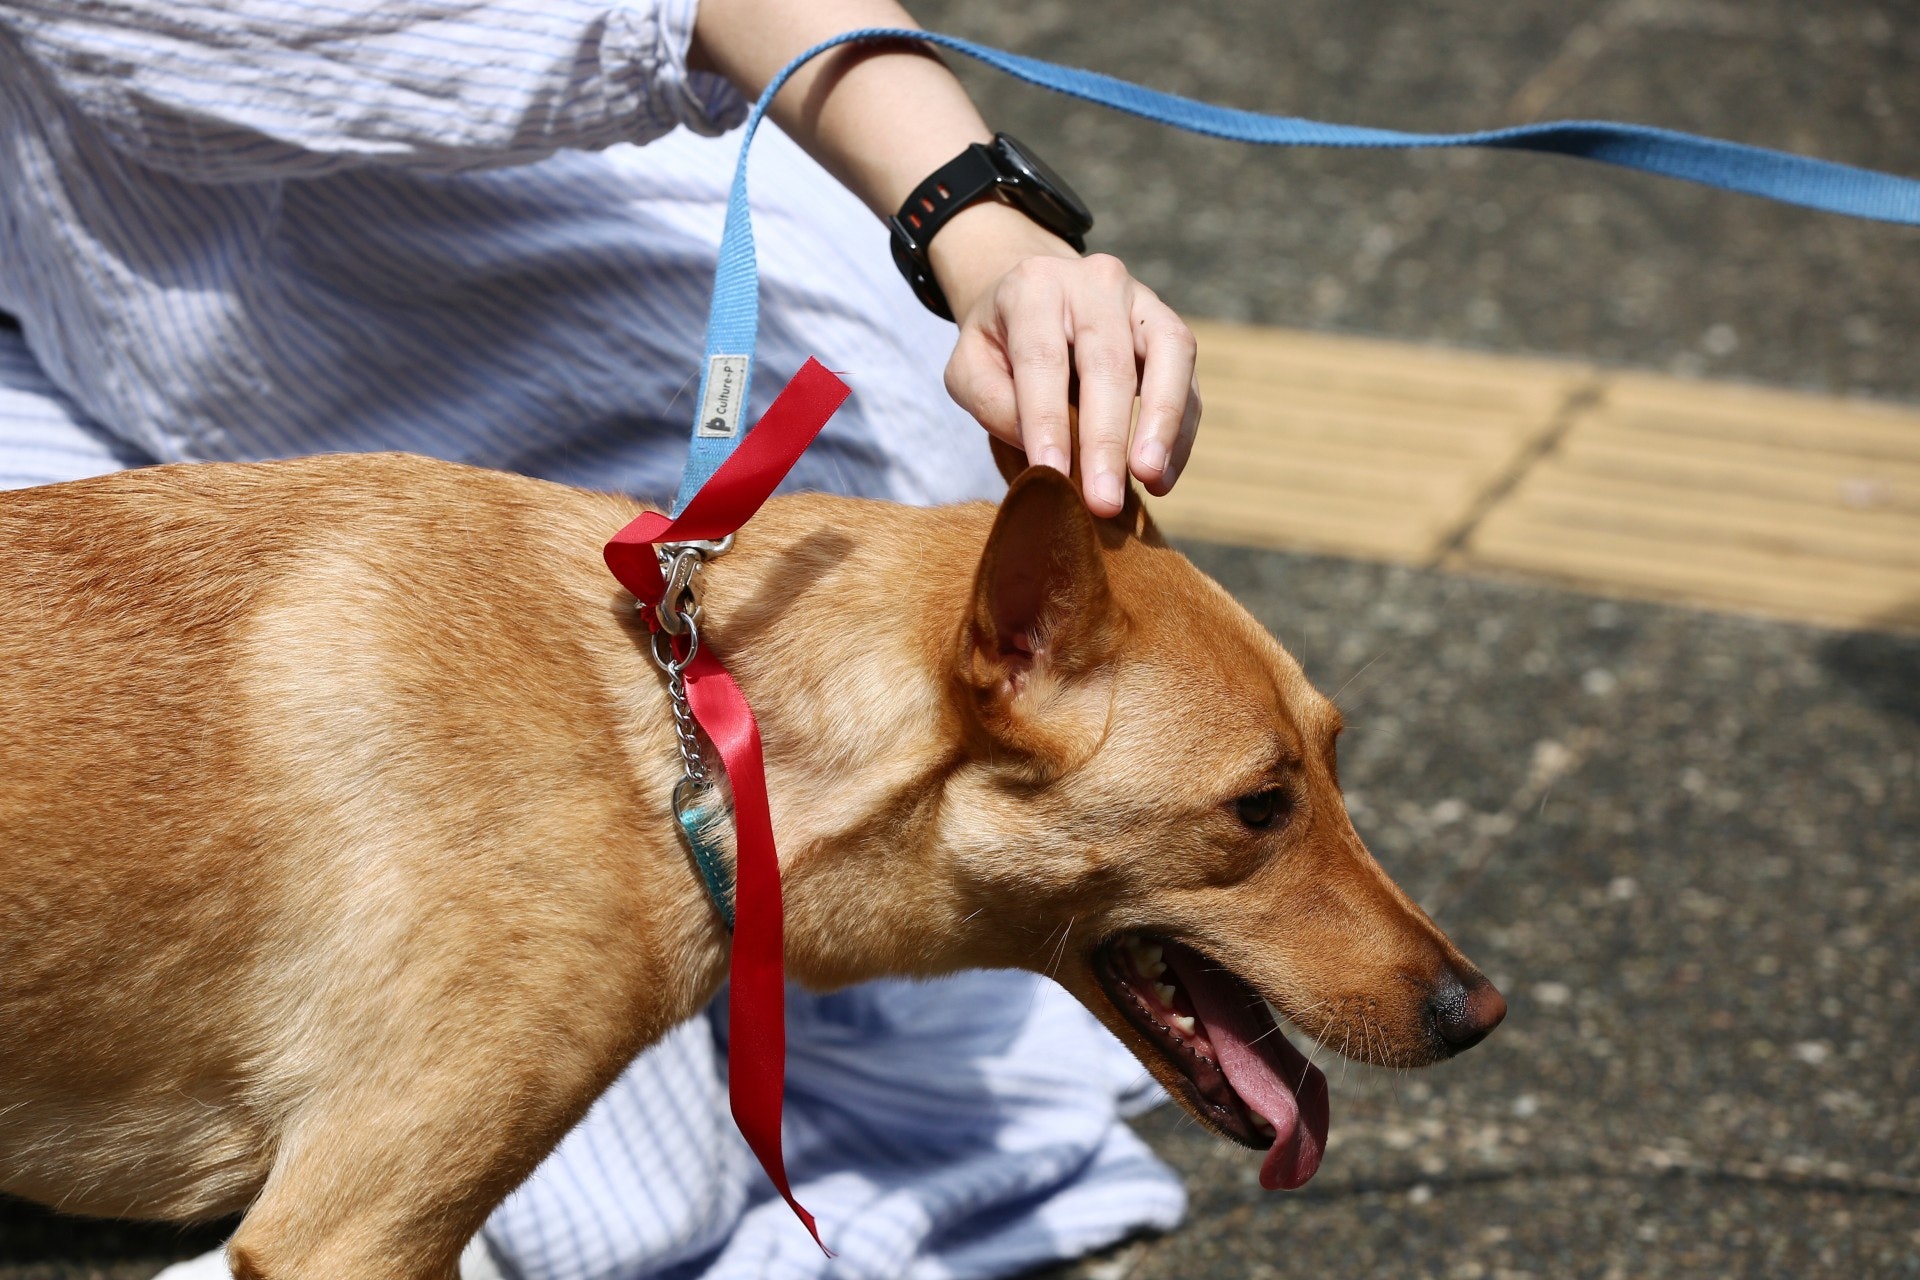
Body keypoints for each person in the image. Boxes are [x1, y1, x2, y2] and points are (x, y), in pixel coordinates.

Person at [0, 1, 1201, 1274]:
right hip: (89, 331)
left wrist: (984, 219)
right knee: (582, 1200)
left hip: (581, 381)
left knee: (621, 1208)